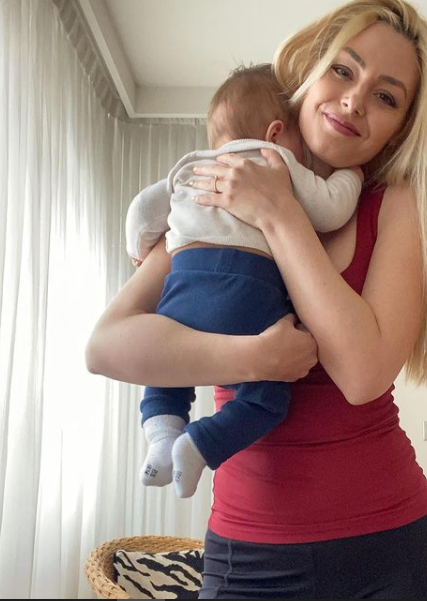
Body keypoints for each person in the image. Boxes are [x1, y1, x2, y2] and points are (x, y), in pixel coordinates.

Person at [86, 0, 427, 597]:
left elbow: (362, 375)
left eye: (386, 97)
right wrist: (255, 359)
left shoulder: (395, 205)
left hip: (389, 547)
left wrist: (279, 211)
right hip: (244, 550)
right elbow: (105, 348)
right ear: (310, 73)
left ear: (400, 127)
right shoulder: (218, 188)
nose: (354, 101)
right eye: (343, 70)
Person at [125, 64, 363, 498]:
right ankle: (201, 444)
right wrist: (352, 175)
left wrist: (139, 251)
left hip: (181, 291)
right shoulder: (276, 161)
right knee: (266, 398)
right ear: (276, 132)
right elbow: (331, 209)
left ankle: (161, 439)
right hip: (246, 293)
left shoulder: (191, 167)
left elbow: (143, 211)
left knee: (165, 372)